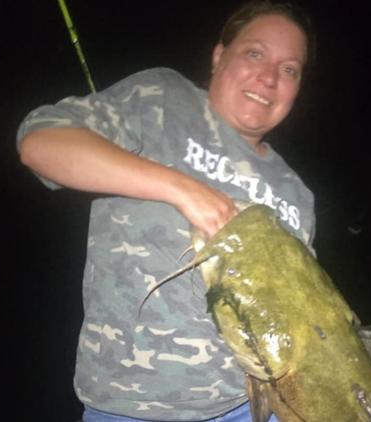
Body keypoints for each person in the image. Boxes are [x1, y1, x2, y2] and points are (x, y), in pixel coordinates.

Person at [16, 2, 316, 421]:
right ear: (218, 56)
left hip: (247, 407)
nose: (269, 77)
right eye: (254, 53)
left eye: (289, 69)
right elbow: (40, 144)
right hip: (131, 406)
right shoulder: (160, 99)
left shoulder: (297, 193)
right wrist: (182, 189)